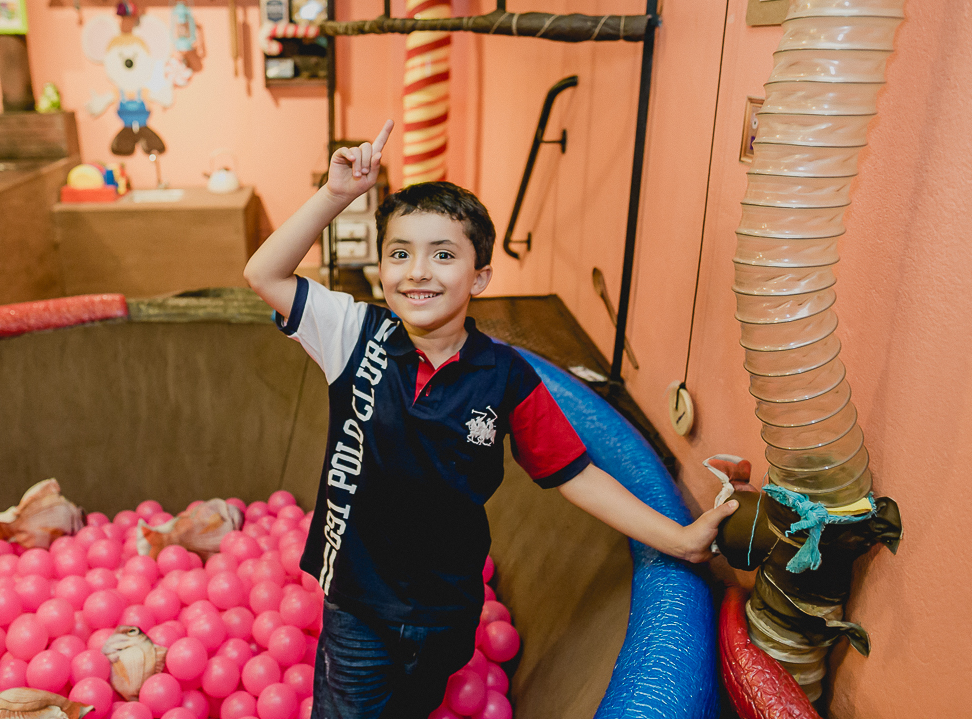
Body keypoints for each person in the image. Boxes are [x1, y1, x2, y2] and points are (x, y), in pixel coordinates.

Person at [243, 120, 738, 719]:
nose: (418, 271)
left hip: (448, 610)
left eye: (443, 255)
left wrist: (679, 539)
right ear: (380, 270)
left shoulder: (504, 376)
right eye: (400, 254)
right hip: (358, 607)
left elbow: (574, 474)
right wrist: (336, 194)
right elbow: (263, 274)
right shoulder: (353, 334)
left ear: (479, 278)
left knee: (416, 706)